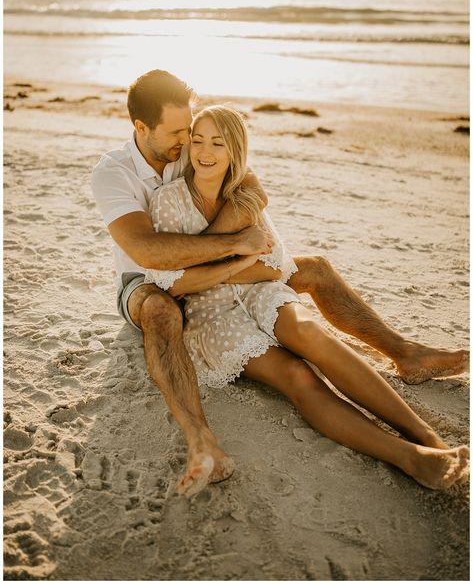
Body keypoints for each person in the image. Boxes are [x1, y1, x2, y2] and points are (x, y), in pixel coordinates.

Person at [91, 69, 468, 496]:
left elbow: (243, 180)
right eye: (182, 133)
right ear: (142, 128)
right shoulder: (116, 174)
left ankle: (407, 360)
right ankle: (201, 439)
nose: (190, 142)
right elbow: (153, 257)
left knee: (315, 277)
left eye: (192, 129)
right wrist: (237, 243)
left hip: (240, 280)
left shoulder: (192, 149)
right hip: (145, 281)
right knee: (169, 314)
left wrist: (246, 209)